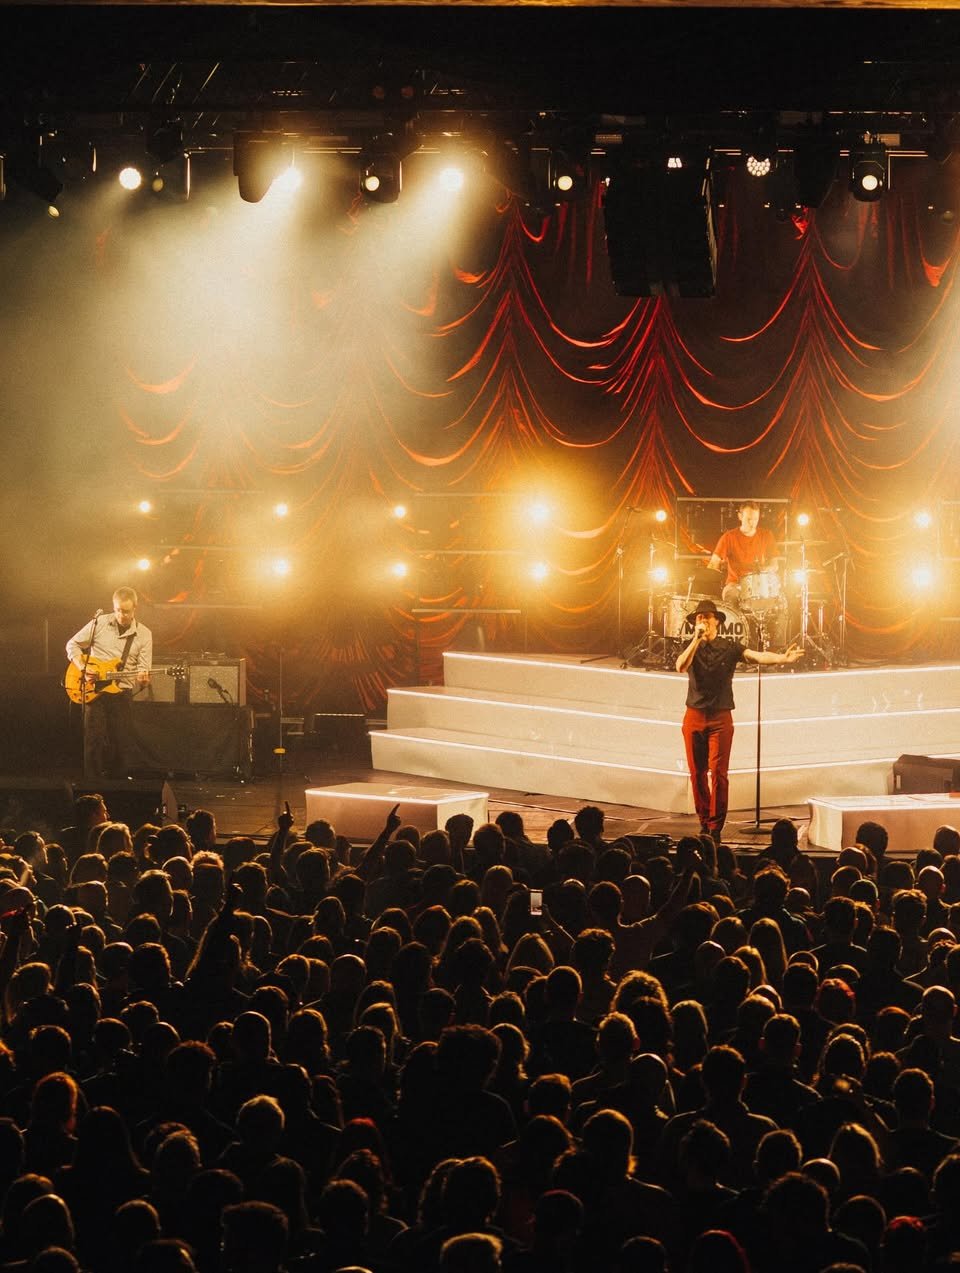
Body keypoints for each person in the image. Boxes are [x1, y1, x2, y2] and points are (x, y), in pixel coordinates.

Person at [675, 598, 804, 842]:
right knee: (697, 773)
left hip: (721, 716)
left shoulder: (730, 646)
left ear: (717, 622)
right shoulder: (689, 645)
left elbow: (756, 656)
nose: (702, 620)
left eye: (707, 617)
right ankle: (704, 820)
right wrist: (695, 639)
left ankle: (715, 826)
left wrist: (782, 659)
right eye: (698, 618)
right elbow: (680, 666)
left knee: (719, 773)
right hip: (694, 715)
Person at [66, 586, 152, 780]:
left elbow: (144, 668)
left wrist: (144, 679)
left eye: (126, 611)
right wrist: (82, 666)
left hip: (121, 692)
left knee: (121, 741)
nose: (121, 615)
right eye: (118, 610)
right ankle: (92, 785)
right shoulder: (100, 623)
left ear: (135, 608)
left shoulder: (144, 634)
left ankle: (118, 785)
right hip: (94, 690)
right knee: (93, 741)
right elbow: (72, 644)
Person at [708, 500, 780, 608]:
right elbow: (714, 562)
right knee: (731, 597)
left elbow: (775, 565)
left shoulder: (767, 535)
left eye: (756, 519)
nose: (752, 523)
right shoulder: (729, 537)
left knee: (780, 602)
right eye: (749, 519)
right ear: (740, 516)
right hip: (735, 584)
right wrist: (710, 572)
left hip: (760, 585)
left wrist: (764, 571)